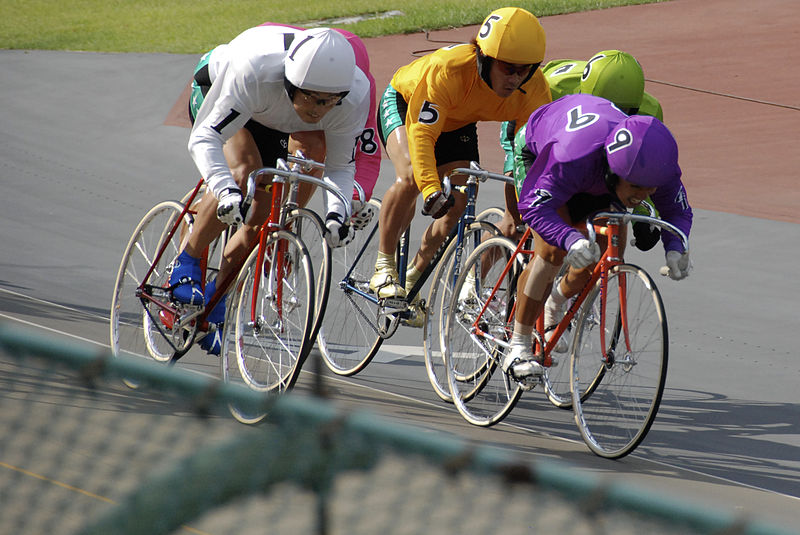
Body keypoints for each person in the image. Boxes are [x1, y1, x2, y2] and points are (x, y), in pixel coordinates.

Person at [171, 24, 371, 353]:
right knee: (244, 173)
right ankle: (186, 261)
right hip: (225, 88)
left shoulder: (354, 95)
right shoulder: (256, 70)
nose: (319, 110)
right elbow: (205, 137)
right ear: (292, 82)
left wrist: (337, 214)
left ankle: (216, 300)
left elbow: (340, 167)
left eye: (330, 102)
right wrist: (224, 190)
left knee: (264, 216)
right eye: (313, 99)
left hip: (275, 115)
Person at [369, 7, 552, 327]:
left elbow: (532, 151)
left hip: (458, 121)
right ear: (485, 57)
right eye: (509, 68)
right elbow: (423, 135)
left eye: (526, 70)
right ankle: (383, 267)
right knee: (413, 175)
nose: (516, 78)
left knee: (463, 195)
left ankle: (411, 278)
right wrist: (430, 189)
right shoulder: (449, 69)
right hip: (406, 101)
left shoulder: (533, 88)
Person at [504, 94, 692, 382]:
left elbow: (677, 211)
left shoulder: (657, 168)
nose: (641, 197)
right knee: (552, 252)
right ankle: (518, 344)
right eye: (636, 188)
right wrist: (567, 238)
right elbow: (533, 206)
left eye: (649, 190)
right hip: (546, 153)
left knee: (598, 253)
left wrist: (675, 248)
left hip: (596, 177)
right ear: (615, 172)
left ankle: (555, 303)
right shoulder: (571, 156)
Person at [498, 50, 664, 249]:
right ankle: (473, 277)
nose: (611, 120)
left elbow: (638, 169)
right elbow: (524, 138)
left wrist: (643, 218)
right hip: (531, 132)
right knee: (521, 227)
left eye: (622, 112)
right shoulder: (551, 90)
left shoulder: (649, 114)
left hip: (576, 154)